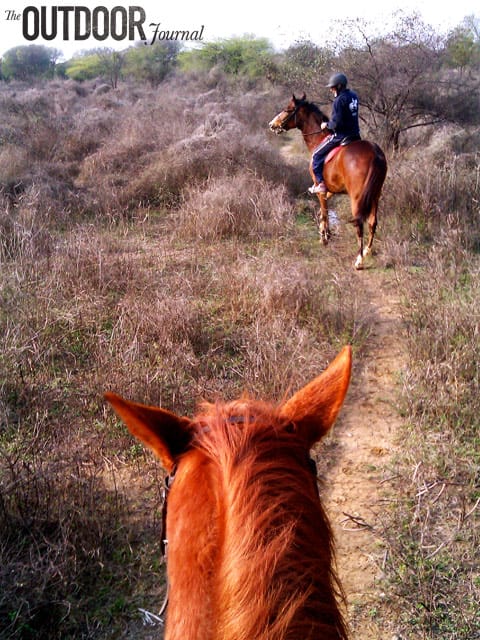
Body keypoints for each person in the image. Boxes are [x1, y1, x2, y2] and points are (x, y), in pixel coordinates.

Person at [309, 73, 361, 194]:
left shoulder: (339, 100)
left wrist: (326, 125)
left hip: (341, 135)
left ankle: (321, 184)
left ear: (339, 86)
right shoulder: (353, 96)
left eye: (332, 87)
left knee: (316, 155)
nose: (331, 90)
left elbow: (336, 124)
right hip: (355, 134)